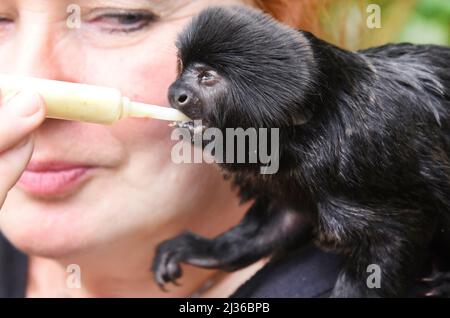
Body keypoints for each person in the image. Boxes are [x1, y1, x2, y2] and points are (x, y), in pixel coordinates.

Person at [0, 0, 438, 298]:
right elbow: (284, 213)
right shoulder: (288, 180)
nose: (30, 92)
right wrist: (214, 249)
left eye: (124, 15)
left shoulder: (353, 165)